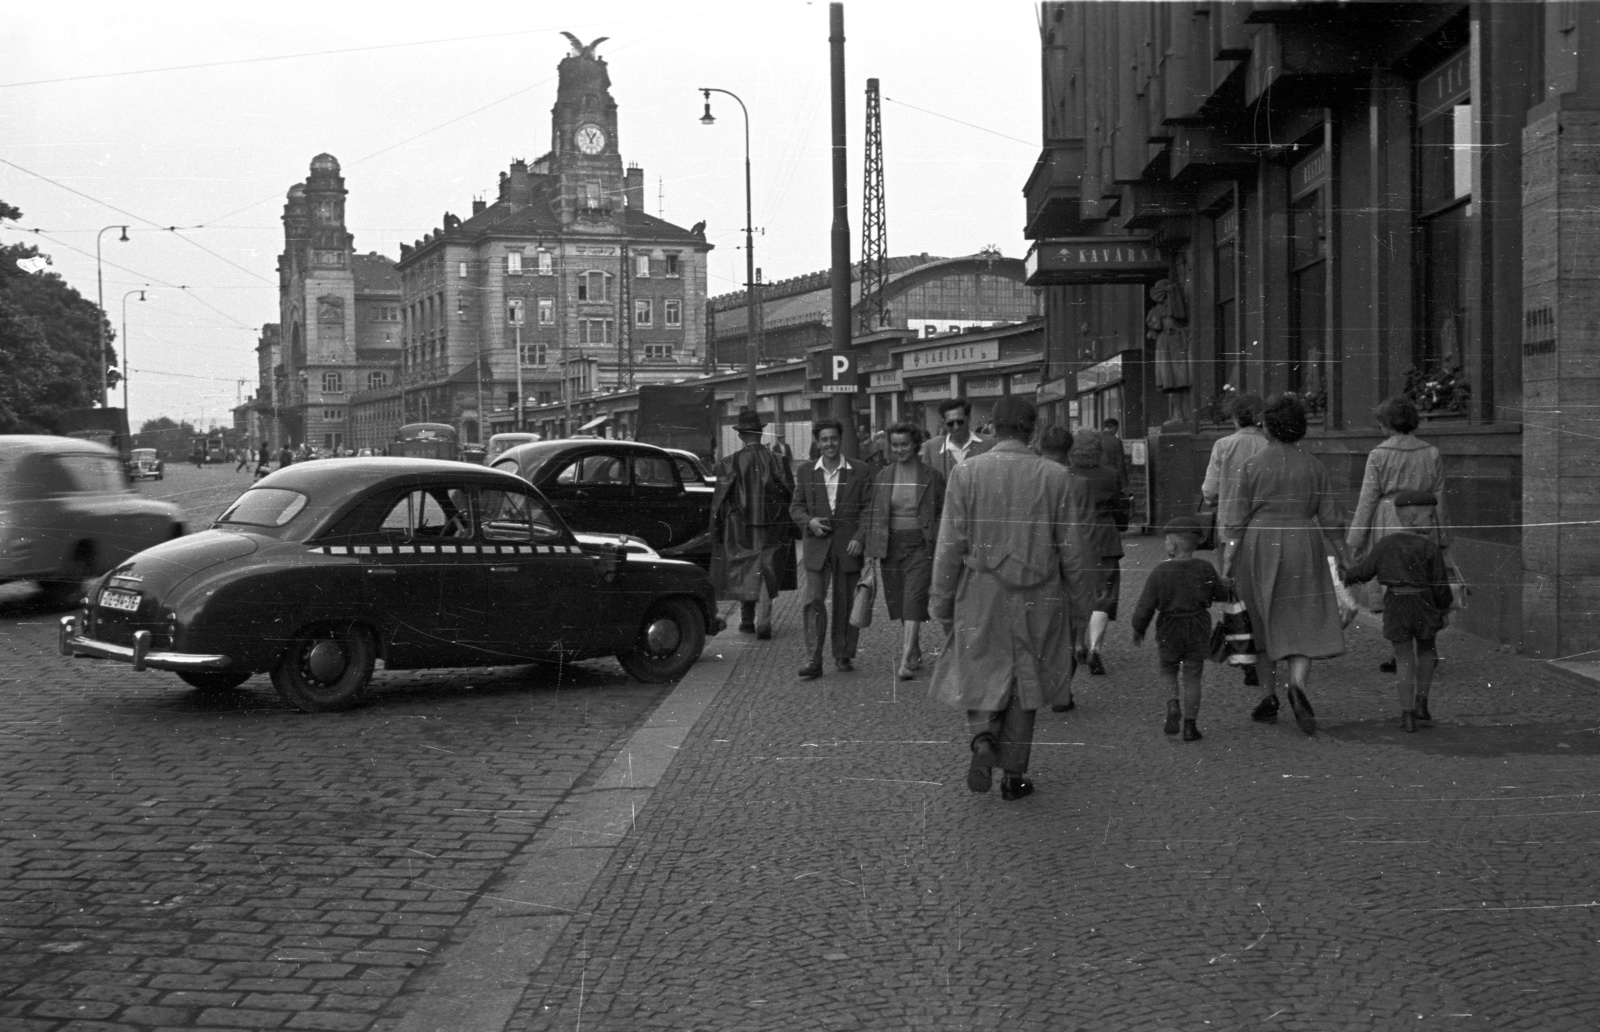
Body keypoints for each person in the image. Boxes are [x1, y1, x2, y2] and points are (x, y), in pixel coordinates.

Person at [930, 396, 1092, 802]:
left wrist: (941, 601)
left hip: (981, 590)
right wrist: (1082, 603)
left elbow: (949, 545)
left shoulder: (966, 474)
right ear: (1032, 429)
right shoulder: (1054, 476)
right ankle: (1014, 775)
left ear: (991, 427)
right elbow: (1072, 548)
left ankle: (983, 737)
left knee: (980, 666)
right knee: (1026, 678)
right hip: (1040, 592)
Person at [1220, 393, 1349, 736]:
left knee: (1263, 619)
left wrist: (1229, 559)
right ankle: (1298, 686)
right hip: (1305, 541)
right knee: (1303, 616)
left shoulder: (1252, 466)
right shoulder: (1314, 466)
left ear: (1267, 429)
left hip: (1260, 543)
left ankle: (1268, 697)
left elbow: (1235, 520)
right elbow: (1332, 518)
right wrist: (1344, 553)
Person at [1346, 395, 1447, 672]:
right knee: (1422, 584)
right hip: (1424, 519)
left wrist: (1356, 539)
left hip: (1389, 518)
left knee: (1395, 587)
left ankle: (1400, 649)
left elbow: (1367, 498)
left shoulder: (1379, 454)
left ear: (1388, 424)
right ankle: (1429, 646)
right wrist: (1443, 536)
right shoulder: (1431, 452)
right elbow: (1439, 495)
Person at [1342, 489, 1453, 732]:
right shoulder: (1429, 548)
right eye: (1431, 517)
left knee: (1403, 659)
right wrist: (1443, 610)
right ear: (1414, 519)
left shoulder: (1385, 545)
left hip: (1396, 604)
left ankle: (1407, 716)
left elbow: (1363, 572)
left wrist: (1344, 576)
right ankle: (1422, 703)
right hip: (1424, 604)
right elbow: (1440, 585)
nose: (1434, 521)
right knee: (1427, 652)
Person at [1130, 515, 1231, 742]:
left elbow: (1145, 606)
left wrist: (1138, 628)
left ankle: (1172, 704)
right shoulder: (1204, 568)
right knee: (1193, 675)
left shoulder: (1160, 572)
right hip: (1197, 625)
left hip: (1169, 626)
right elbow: (1220, 594)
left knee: (1168, 670)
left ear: (1173, 545)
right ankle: (1190, 726)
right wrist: (1225, 583)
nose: (1165, 544)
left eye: (1167, 540)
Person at [861, 422, 945, 680]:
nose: (900, 450)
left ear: (916, 444)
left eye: (905, 444)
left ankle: (905, 660)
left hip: (921, 544)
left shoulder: (932, 476)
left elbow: (943, 512)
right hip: (891, 546)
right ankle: (915, 647)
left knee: (914, 598)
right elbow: (876, 513)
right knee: (899, 601)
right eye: (895, 445)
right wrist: (871, 547)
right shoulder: (884, 476)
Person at [790, 419, 872, 678]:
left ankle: (844, 654)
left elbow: (869, 509)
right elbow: (796, 508)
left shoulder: (860, 470)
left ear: (841, 439)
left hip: (848, 546)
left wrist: (860, 537)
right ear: (817, 442)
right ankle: (813, 658)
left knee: (846, 601)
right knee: (814, 600)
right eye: (824, 439)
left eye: (833, 439)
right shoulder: (806, 472)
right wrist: (809, 522)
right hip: (817, 546)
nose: (829, 444)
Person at [1199, 393, 1267, 687]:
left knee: (1236, 590)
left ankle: (1245, 651)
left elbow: (1210, 491)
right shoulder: (1269, 444)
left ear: (1236, 418)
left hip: (1230, 526)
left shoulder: (1224, 446)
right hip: (1264, 528)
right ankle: (1266, 648)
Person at [710, 408, 796, 639]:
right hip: (773, 525)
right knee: (768, 569)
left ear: (740, 435)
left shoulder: (730, 463)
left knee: (744, 570)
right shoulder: (778, 460)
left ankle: (747, 621)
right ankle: (764, 619)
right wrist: (794, 526)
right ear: (760, 433)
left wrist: (717, 531)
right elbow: (791, 494)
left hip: (740, 527)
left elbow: (718, 502)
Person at [1068, 428, 1125, 678]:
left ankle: (1077, 645)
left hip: (1076, 537)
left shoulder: (1066, 475)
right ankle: (1094, 648)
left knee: (1077, 592)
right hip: (1105, 537)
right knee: (1105, 593)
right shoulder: (1110, 475)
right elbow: (1120, 508)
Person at [919, 398, 992, 479]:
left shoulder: (989, 443)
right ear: (944, 423)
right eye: (950, 423)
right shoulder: (932, 447)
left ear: (968, 419)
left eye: (960, 422)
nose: (956, 427)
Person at [1100, 417, 1130, 492]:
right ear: (1114, 428)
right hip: (1112, 476)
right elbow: (1120, 462)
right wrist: (1124, 482)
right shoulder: (1116, 441)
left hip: (1096, 475)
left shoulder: (1096, 438)